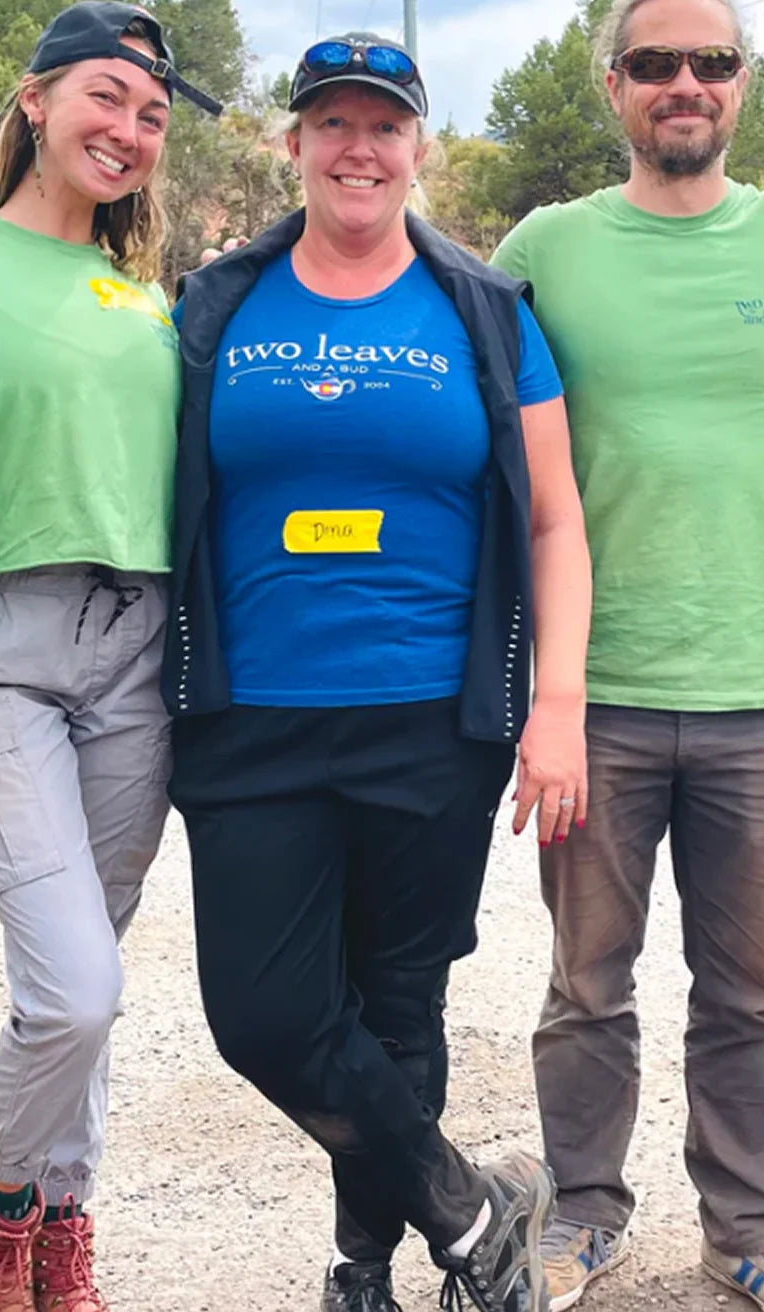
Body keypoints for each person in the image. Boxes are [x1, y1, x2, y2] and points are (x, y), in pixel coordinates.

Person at [165, 34, 593, 1312]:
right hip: (251, 721)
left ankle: (368, 1271)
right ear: (290, 144)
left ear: (419, 147)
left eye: (385, 124)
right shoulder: (216, 305)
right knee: (266, 1016)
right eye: (331, 123)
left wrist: (554, 706)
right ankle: (475, 1212)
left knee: (400, 1004)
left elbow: (557, 520)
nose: (359, 147)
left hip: (430, 721)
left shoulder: (486, 313)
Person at [0, 5, 220, 1310]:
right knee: (74, 989)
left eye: (151, 115)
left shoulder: (143, 305)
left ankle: (60, 1224)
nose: (129, 130)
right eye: (105, 97)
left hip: (137, 653)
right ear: (32, 101)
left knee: (93, 972)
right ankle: (0, 1204)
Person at [491, 0, 764, 1306]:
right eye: (655, 63)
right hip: (590, 697)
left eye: (710, 62)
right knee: (585, 986)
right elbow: (466, 418)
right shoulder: (547, 247)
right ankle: (583, 1212)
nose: (684, 84)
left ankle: (746, 1226)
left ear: (742, 84)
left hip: (756, 697)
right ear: (613, 87)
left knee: (752, 992)